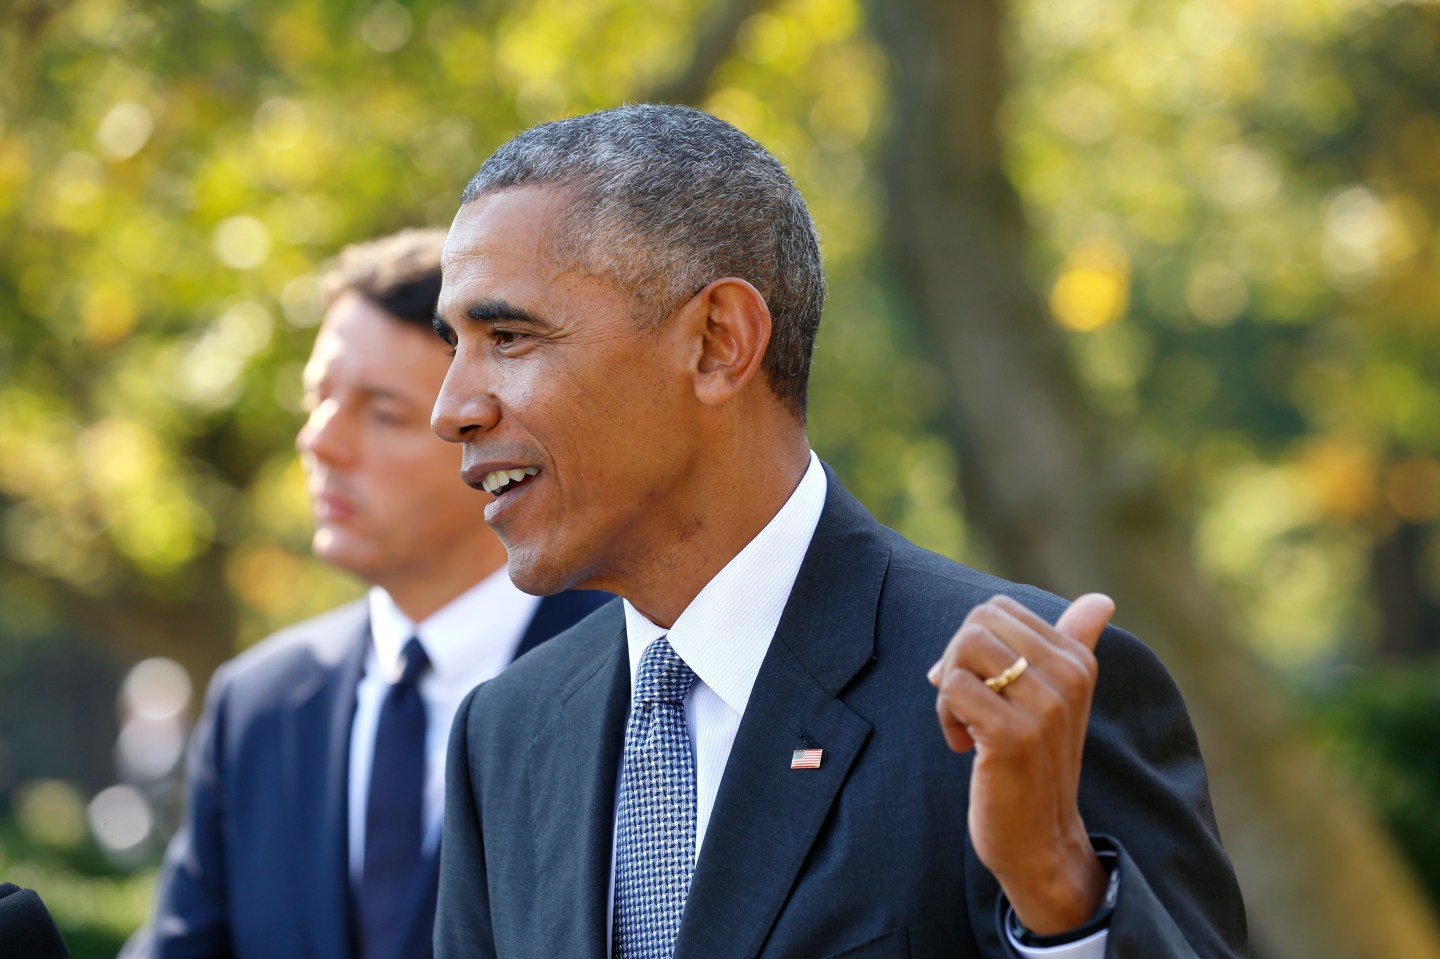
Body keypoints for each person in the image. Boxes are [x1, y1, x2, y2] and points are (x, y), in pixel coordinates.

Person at [429, 105, 1247, 958]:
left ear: (719, 343)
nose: (451, 409)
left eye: (510, 337)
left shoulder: (1021, 700)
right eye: (455, 344)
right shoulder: (507, 734)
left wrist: (1059, 890)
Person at [123, 229, 609, 959]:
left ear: (494, 433)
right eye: (317, 397)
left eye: (381, 412)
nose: (320, 440)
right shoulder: (256, 704)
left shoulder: (638, 680)